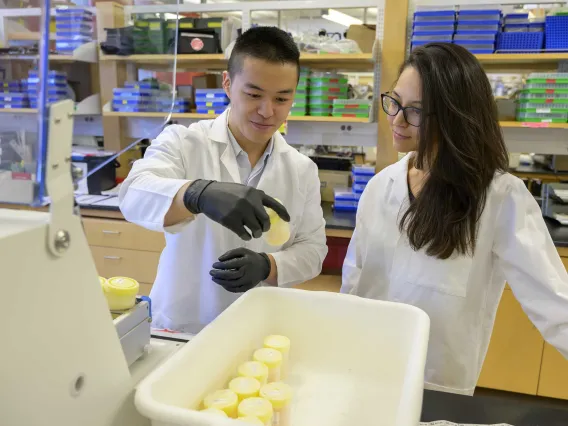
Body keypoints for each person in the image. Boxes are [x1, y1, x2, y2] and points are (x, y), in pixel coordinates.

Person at [341, 42, 568, 396]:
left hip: (435, 384)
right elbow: (354, 280)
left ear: (454, 116)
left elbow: (555, 303)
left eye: (416, 111)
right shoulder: (381, 185)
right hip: (365, 366)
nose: (397, 120)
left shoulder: (498, 197)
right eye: (395, 102)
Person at [120, 26, 327, 334]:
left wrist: (268, 265)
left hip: (258, 328)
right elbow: (132, 195)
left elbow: (314, 249)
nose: (267, 111)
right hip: (183, 325)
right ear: (228, 84)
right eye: (254, 94)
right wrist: (197, 193)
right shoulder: (183, 142)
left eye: (282, 98)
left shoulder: (301, 169)